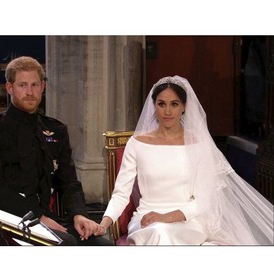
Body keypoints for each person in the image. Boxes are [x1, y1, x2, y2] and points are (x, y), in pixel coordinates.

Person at [96, 75, 274, 245]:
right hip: (146, 220)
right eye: (161, 104)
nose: (167, 111)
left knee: (163, 233)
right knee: (158, 232)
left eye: (174, 104)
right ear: (153, 105)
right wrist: (103, 224)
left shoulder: (199, 144)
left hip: (188, 221)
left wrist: (166, 217)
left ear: (184, 106)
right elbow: (121, 193)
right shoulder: (137, 144)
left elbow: (204, 200)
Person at [0, 56, 112, 246]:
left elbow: (69, 182)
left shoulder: (55, 130)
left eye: (35, 85)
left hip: (48, 218)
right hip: (5, 220)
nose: (30, 92)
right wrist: (37, 217)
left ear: (43, 86)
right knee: (66, 244)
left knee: (103, 246)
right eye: (22, 85)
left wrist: (79, 215)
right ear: (9, 88)